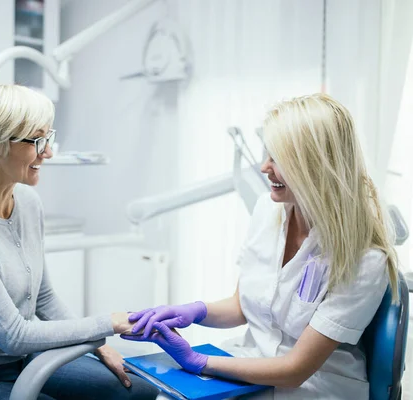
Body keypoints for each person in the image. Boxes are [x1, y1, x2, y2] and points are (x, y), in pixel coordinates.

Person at [123, 93, 399, 399]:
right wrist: (194, 311)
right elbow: (242, 306)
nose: (265, 167)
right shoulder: (267, 211)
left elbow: (296, 369)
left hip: (313, 387)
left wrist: (197, 361)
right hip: (249, 365)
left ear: (317, 164)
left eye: (277, 158)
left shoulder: (364, 260)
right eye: (266, 153)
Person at [0, 81, 159, 400]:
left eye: (47, 138)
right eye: (36, 140)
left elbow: (43, 298)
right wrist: (110, 323)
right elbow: (14, 335)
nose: (47, 152)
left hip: (25, 360)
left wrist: (99, 346)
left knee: (137, 393)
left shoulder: (27, 201)